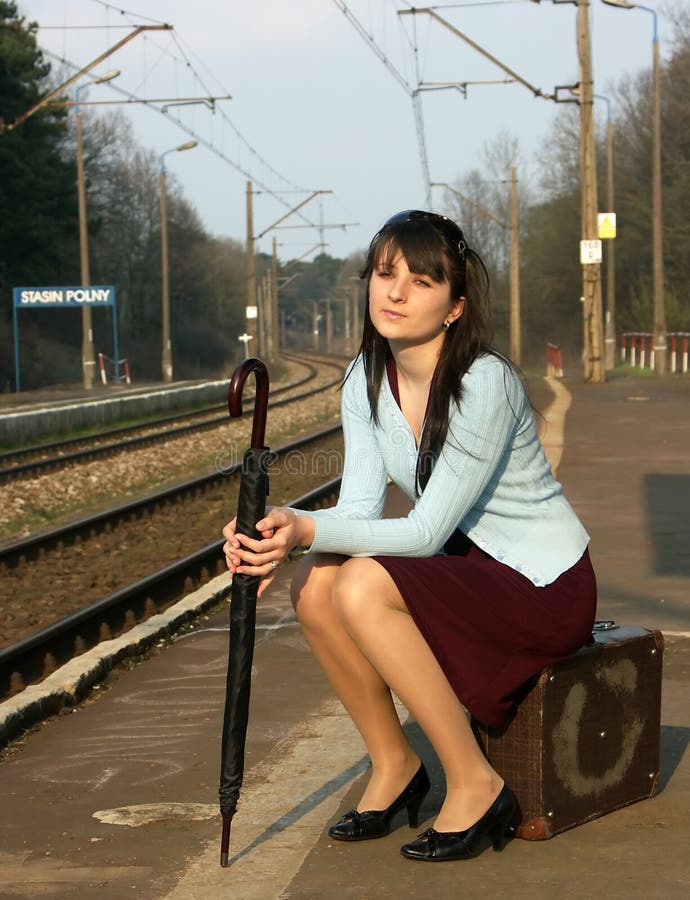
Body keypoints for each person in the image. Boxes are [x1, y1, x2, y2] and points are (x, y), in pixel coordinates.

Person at [222, 209, 597, 862]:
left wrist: (306, 527)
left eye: (421, 281)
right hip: (468, 569)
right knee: (319, 588)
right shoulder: (365, 379)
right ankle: (395, 766)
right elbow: (364, 506)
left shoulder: (485, 382)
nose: (394, 293)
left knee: (364, 583)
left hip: (541, 584)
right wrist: (282, 529)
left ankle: (477, 785)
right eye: (385, 273)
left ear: (454, 306)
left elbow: (423, 533)